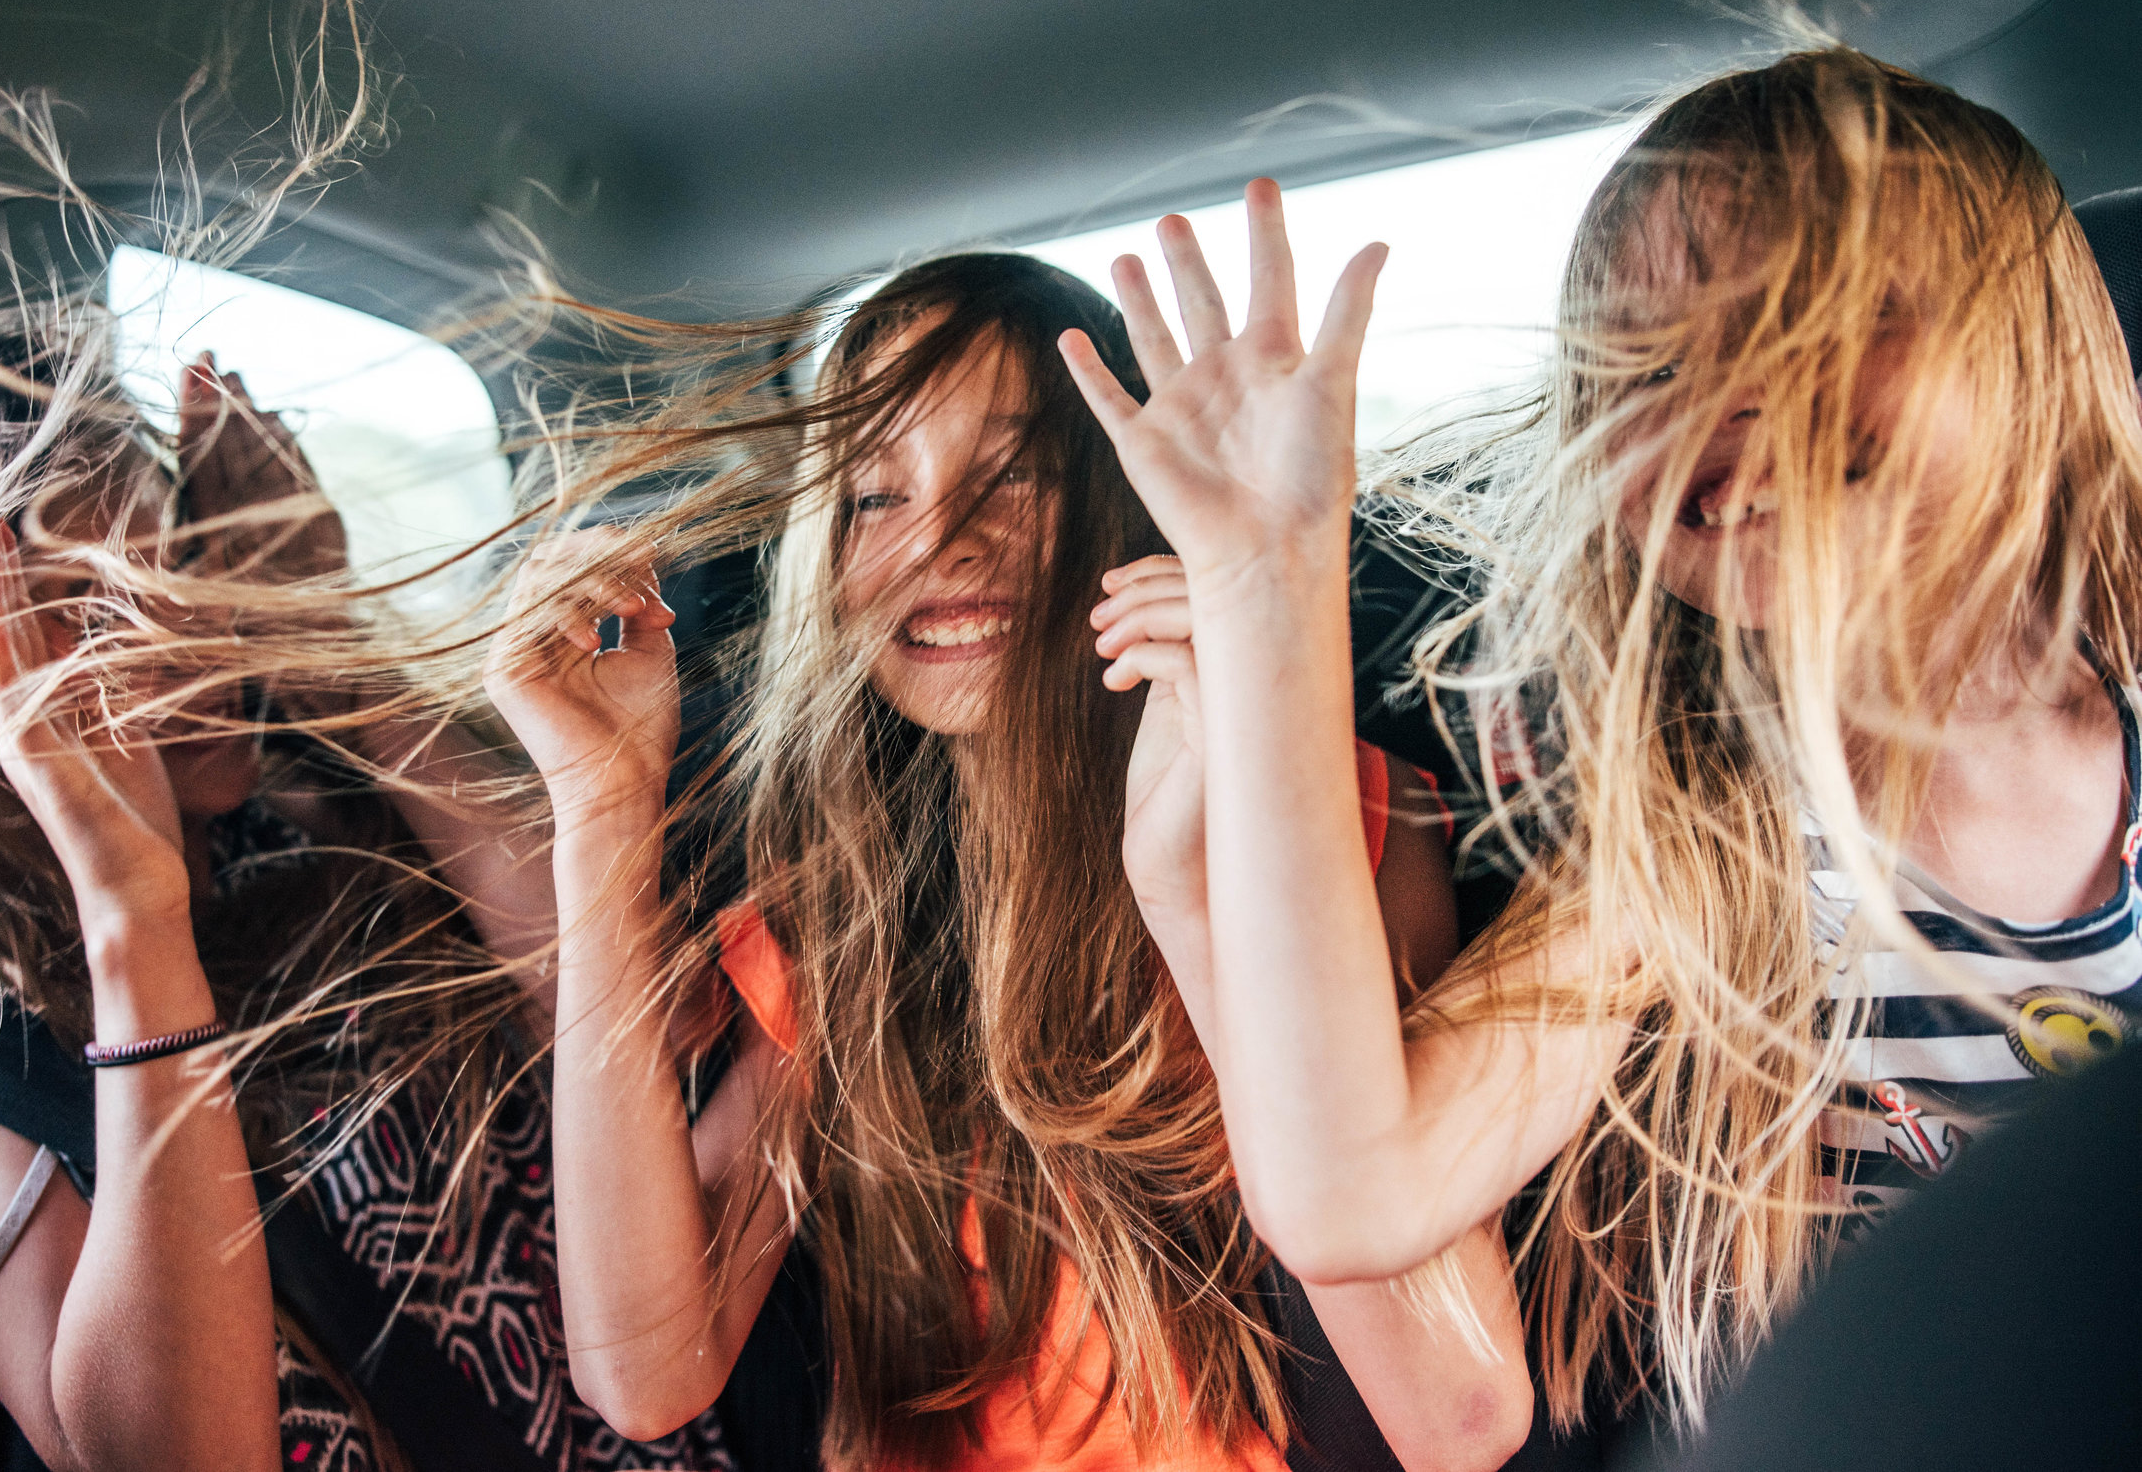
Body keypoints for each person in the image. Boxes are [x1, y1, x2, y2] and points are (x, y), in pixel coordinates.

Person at [1056, 50, 2142, 1439]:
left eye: (1819, 314)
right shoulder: (1701, 845)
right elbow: (1353, 1186)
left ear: (2038, 352)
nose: (1725, 399)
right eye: (1643, 365)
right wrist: (1272, 585)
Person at [485, 253, 1536, 1471]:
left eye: (1019, 472)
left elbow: (1451, 1414)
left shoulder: (1336, 812)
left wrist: (1205, 857)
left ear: (1137, 505)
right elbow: (649, 1370)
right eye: (874, 497)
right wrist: (602, 810)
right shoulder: (846, 906)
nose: (942, 542)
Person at [0, 308, 737, 1472]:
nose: (199, 635)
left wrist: (322, 626)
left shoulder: (278, 768)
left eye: (181, 560)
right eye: (104, 616)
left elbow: (649, 1020)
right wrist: (134, 922)